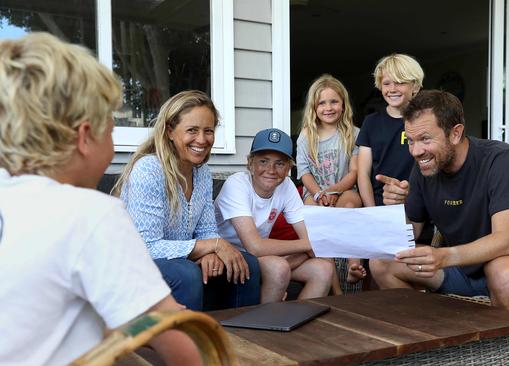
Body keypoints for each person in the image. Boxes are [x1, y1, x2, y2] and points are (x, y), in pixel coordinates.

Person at [0, 33, 199, 365]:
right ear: (84, 137)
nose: (113, 139)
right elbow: (181, 347)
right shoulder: (90, 213)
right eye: (111, 128)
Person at [371, 90, 509, 366]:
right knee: (383, 263)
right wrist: (395, 206)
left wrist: (443, 257)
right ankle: (430, 351)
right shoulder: (425, 167)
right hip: (464, 270)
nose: (416, 151)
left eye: (425, 139)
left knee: (501, 270)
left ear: (456, 133)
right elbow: (410, 231)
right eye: (410, 141)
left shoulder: (500, 159)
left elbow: (505, 241)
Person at [114, 90, 259, 311]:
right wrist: (212, 246)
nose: (202, 140)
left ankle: (240, 340)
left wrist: (211, 251)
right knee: (187, 273)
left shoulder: (202, 173)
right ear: (170, 131)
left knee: (246, 264)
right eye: (192, 130)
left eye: (208, 131)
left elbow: (208, 229)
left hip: (178, 260)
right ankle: (191, 343)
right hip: (132, 265)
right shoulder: (149, 169)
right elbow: (145, 246)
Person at [214, 128, 334, 303]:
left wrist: (311, 247)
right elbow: (255, 246)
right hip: (227, 256)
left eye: (279, 163)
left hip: (261, 257)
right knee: (279, 267)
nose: (271, 169)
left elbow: (309, 240)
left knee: (323, 269)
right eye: (263, 161)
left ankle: (297, 323)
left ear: (288, 169)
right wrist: (308, 246)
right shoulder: (236, 184)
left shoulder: (286, 186)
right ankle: (265, 327)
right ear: (250, 164)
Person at [296, 74, 366, 287]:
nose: (328, 107)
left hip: (344, 189)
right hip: (315, 193)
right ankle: (335, 289)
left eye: (334, 101)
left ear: (343, 105)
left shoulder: (353, 134)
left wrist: (334, 191)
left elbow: (354, 171)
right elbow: (304, 172)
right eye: (322, 103)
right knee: (313, 217)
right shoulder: (306, 135)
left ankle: (354, 265)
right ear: (314, 107)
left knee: (352, 203)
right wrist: (319, 193)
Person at [356, 53, 424, 208]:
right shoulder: (371, 122)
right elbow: (363, 174)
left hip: (418, 205)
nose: (392, 89)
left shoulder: (425, 121)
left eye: (399, 82)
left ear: (415, 86)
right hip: (380, 206)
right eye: (386, 83)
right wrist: (372, 211)